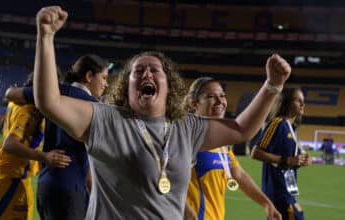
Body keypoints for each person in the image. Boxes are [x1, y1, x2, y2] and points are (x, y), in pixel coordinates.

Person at [33, 6, 291, 219]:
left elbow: (241, 129)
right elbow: (50, 102)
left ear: (169, 87)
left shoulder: (187, 127)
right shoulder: (106, 120)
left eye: (155, 70)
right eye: (138, 71)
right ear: (127, 85)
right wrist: (45, 37)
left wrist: (272, 86)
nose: (147, 73)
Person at [5, 54, 110, 220]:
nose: (106, 84)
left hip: (46, 185)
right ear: (89, 76)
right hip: (71, 189)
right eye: (103, 78)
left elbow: (11, 93)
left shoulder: (54, 93)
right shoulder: (94, 107)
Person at [183, 77, 282, 220]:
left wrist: (267, 204)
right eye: (211, 96)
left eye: (222, 96)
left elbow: (239, 175)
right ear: (194, 104)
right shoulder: (186, 137)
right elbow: (167, 182)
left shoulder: (222, 144)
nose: (219, 101)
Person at [0, 74, 71, 220]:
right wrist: (44, 157)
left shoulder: (16, 102)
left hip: (7, 175)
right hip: (12, 178)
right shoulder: (30, 108)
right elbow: (10, 144)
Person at [251, 87, 312, 220]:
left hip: (288, 190)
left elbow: (290, 160)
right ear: (287, 102)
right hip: (277, 191)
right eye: (298, 100)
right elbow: (256, 153)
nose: (303, 104)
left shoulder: (293, 127)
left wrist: (301, 161)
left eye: (303, 101)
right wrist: (287, 160)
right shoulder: (277, 123)